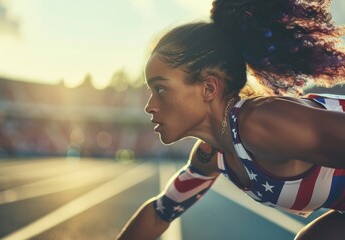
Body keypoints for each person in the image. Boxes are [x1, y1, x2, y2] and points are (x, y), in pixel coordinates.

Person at [117, 0, 345, 239]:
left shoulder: (261, 122)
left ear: (208, 88)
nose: (149, 106)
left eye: (161, 89)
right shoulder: (211, 154)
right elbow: (159, 214)